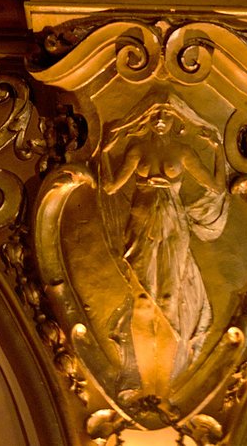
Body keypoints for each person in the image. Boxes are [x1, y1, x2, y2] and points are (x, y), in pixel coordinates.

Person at [98, 95, 228, 399]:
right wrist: (104, 153)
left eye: (166, 114)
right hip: (140, 227)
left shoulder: (183, 152)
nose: (159, 118)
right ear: (145, 118)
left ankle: (166, 384)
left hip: (172, 227)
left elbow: (217, 187)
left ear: (176, 120)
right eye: (154, 113)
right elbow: (110, 187)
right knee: (142, 302)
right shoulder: (137, 149)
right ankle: (145, 380)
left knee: (168, 300)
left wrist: (218, 150)